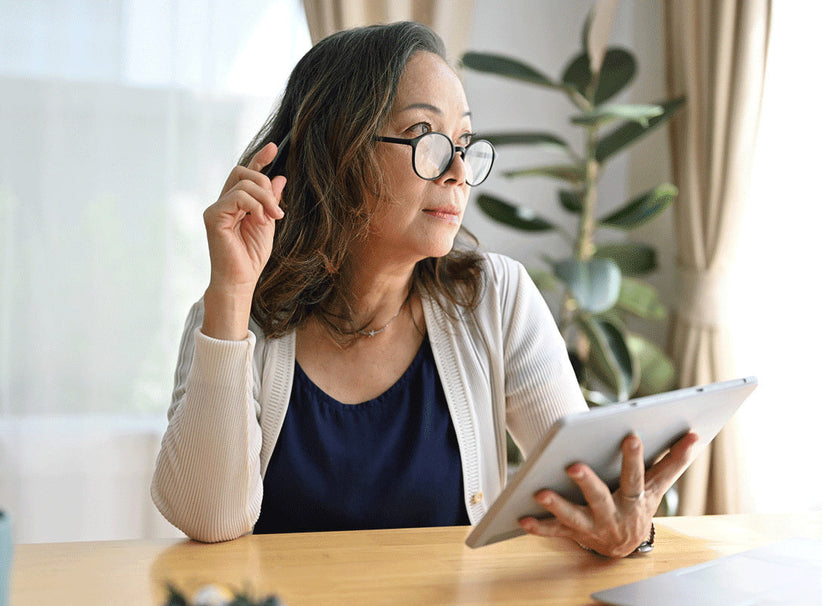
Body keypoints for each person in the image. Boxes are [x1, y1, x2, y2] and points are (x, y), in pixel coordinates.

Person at [151, 21, 697, 557]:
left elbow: (592, 495)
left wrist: (634, 531)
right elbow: (210, 520)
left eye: (464, 141)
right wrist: (231, 294)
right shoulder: (233, 314)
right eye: (424, 138)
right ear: (340, 151)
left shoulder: (495, 297)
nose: (458, 170)